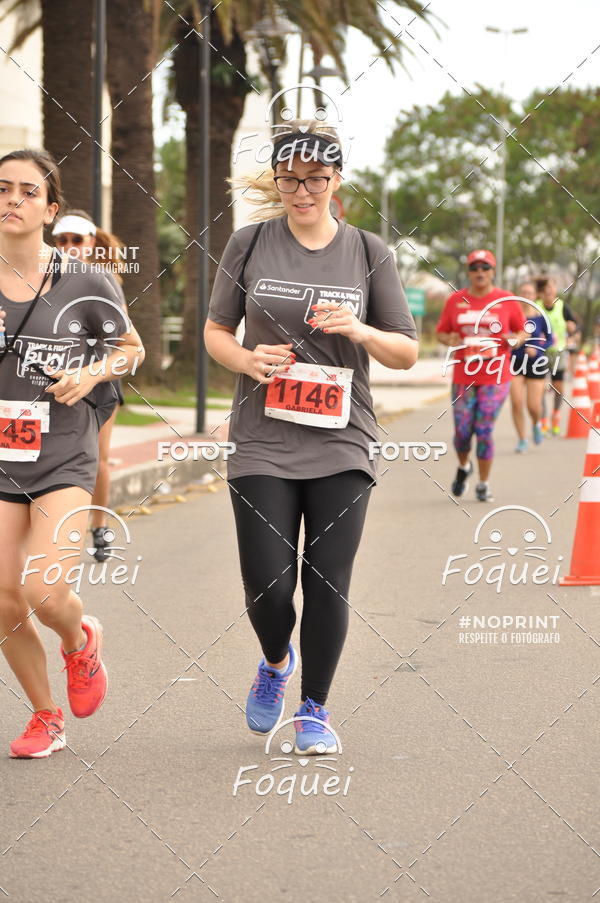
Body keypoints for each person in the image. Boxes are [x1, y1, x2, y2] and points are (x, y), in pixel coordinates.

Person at [204, 120, 418, 754]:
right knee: (267, 583)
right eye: (290, 179)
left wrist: (359, 330)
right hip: (263, 439)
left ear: (336, 180)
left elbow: (406, 352)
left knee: (327, 580)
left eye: (315, 180)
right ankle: (275, 660)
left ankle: (315, 711)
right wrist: (246, 361)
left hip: (341, 440)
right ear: (276, 180)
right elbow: (217, 331)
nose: (303, 192)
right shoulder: (249, 243)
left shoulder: (368, 250)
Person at [0, 149, 144, 758]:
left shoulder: (85, 281)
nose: (12, 200)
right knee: (2, 599)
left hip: (62, 454)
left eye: (28, 192)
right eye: (2, 189)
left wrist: (90, 374)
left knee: (45, 593)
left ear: (50, 209)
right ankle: (45, 715)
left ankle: (79, 637)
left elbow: (132, 348)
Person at [52, 210, 127, 561]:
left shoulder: (103, 279)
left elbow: (124, 343)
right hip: (53, 380)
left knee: (98, 458)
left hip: (98, 382)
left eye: (76, 241)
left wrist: (94, 369)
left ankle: (99, 528)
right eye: (61, 240)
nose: (68, 247)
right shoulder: (41, 277)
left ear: (92, 243)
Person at [436, 249, 527, 502]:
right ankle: (464, 467)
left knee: (484, 430)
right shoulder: (455, 300)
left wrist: (515, 339)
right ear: (468, 271)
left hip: (495, 376)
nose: (479, 272)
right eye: (474, 268)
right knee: (463, 433)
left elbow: (521, 331)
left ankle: (484, 484)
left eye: (484, 268)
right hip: (464, 377)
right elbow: (441, 332)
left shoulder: (507, 299)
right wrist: (449, 338)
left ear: (492, 271)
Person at [509, 282, 554, 452]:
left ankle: (536, 424)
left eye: (529, 293)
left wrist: (537, 348)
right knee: (516, 402)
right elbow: (503, 335)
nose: (526, 296)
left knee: (533, 406)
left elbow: (550, 340)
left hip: (536, 363)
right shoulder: (513, 316)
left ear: (535, 296)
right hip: (515, 362)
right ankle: (522, 439)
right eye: (523, 292)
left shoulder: (541, 317)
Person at [536, 277, 578, 435]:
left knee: (558, 388)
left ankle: (555, 414)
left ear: (555, 291)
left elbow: (574, 325)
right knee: (539, 388)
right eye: (546, 289)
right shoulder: (536, 306)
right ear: (541, 292)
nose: (549, 291)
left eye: (552, 288)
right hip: (540, 353)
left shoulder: (562, 307)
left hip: (558, 352)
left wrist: (572, 328)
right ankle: (544, 420)